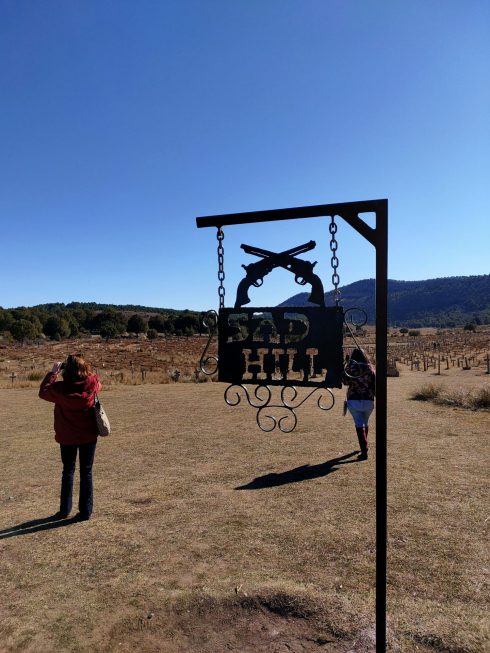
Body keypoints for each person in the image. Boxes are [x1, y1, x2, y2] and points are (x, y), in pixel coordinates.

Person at [39, 354, 101, 520]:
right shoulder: (91, 384)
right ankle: (86, 511)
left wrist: (53, 373)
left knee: (68, 471)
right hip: (88, 435)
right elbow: (98, 383)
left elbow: (43, 391)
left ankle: (64, 509)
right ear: (83, 370)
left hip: (66, 436)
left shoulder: (59, 389)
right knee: (86, 471)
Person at [342, 348, 376, 461]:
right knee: (365, 423)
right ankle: (364, 446)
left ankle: (364, 451)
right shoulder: (370, 367)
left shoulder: (351, 367)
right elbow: (375, 382)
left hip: (354, 398)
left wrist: (346, 364)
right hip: (369, 399)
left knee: (358, 424)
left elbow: (345, 381)